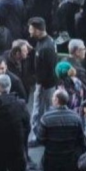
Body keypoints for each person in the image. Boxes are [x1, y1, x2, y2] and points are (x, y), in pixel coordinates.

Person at [36, 89, 86, 171]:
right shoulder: (75, 118)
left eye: (53, 97)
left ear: (56, 100)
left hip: (51, 156)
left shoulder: (46, 118)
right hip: (68, 157)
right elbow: (81, 139)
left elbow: (40, 139)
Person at [28, 17, 58, 146]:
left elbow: (48, 68)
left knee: (38, 111)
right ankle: (47, 135)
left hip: (45, 85)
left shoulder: (46, 47)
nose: (29, 31)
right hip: (48, 84)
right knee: (48, 109)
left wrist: (40, 84)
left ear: (38, 30)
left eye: (31, 29)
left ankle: (37, 137)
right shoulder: (47, 41)